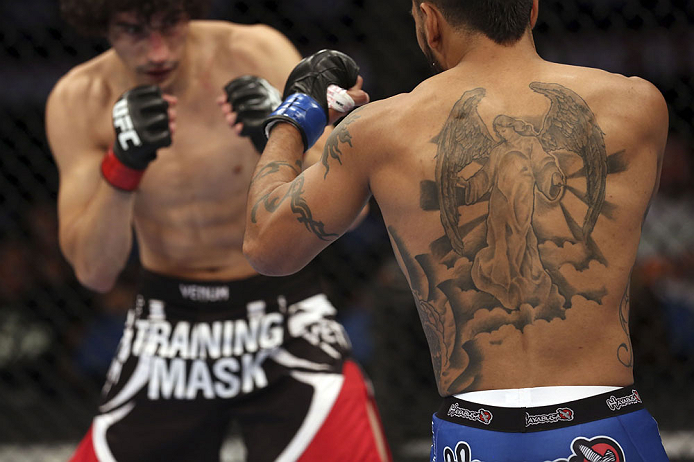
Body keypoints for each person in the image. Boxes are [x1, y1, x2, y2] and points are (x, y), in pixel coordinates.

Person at [242, 0, 671, 460]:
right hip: (603, 426)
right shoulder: (637, 105)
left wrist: (295, 119)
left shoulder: (381, 129)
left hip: (476, 432)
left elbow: (267, 247)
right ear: (531, 9)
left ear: (430, 19)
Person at [45, 1, 389, 461]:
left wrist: (279, 137)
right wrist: (123, 165)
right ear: (101, 23)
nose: (158, 50)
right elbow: (94, 271)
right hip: (167, 330)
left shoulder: (255, 51)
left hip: (283, 314)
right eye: (132, 30)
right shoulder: (80, 98)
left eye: (170, 23)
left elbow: (352, 214)